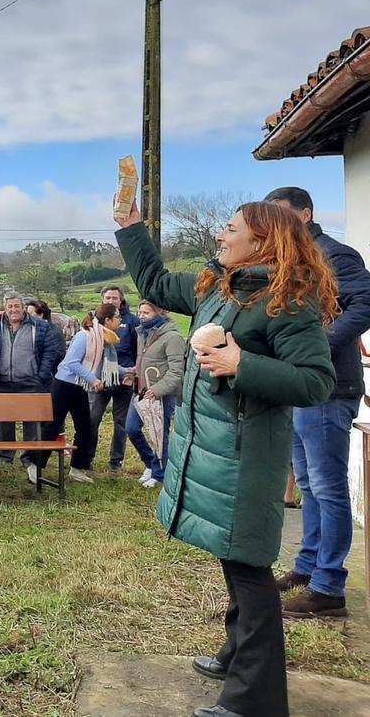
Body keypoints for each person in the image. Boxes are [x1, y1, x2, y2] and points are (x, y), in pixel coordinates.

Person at [116, 199, 336, 717]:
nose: (220, 234)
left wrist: (242, 362)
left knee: (250, 570)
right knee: (233, 561)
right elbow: (154, 282)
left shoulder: (288, 299)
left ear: (262, 241)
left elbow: (316, 381)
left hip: (246, 459)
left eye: (231, 229)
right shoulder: (218, 285)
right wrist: (131, 228)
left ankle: (253, 701)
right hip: (215, 454)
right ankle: (236, 653)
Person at [264, 186, 370, 619]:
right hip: (300, 387)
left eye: (282, 216)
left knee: (327, 488)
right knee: (308, 486)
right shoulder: (291, 260)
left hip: (328, 387)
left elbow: (364, 304)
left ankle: (329, 587)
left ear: (305, 214)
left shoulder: (333, 254)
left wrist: (319, 346)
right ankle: (307, 569)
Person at [35, 303, 122, 484]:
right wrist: (93, 380)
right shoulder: (85, 337)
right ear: (107, 320)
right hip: (64, 385)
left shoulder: (103, 340)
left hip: (79, 387)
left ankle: (77, 468)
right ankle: (35, 464)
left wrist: (129, 370)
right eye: (118, 317)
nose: (121, 321)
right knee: (53, 426)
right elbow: (72, 363)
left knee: (85, 427)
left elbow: (106, 367)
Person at [0, 293, 57, 484]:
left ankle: (29, 457)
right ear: (5, 308)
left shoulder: (38, 326)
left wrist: (41, 374)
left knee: (31, 421)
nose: (13, 310)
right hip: (2, 381)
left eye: (17, 306)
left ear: (23, 307)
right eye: (10, 307)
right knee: (4, 419)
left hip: (30, 381)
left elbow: (50, 352)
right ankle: (5, 455)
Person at [125, 301, 185, 489]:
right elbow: (145, 361)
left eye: (146, 312)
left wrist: (158, 389)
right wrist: (133, 374)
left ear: (160, 313)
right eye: (140, 311)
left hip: (162, 395)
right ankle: (151, 463)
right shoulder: (143, 333)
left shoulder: (173, 337)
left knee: (161, 435)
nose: (141, 315)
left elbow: (177, 371)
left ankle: (160, 474)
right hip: (142, 391)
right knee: (132, 429)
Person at [91, 285, 141, 475]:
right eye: (107, 298)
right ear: (102, 300)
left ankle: (116, 462)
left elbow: (138, 353)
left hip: (124, 381)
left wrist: (132, 376)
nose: (110, 301)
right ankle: (88, 457)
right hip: (100, 380)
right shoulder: (94, 321)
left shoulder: (132, 321)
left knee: (120, 423)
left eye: (114, 298)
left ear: (121, 301)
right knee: (93, 419)